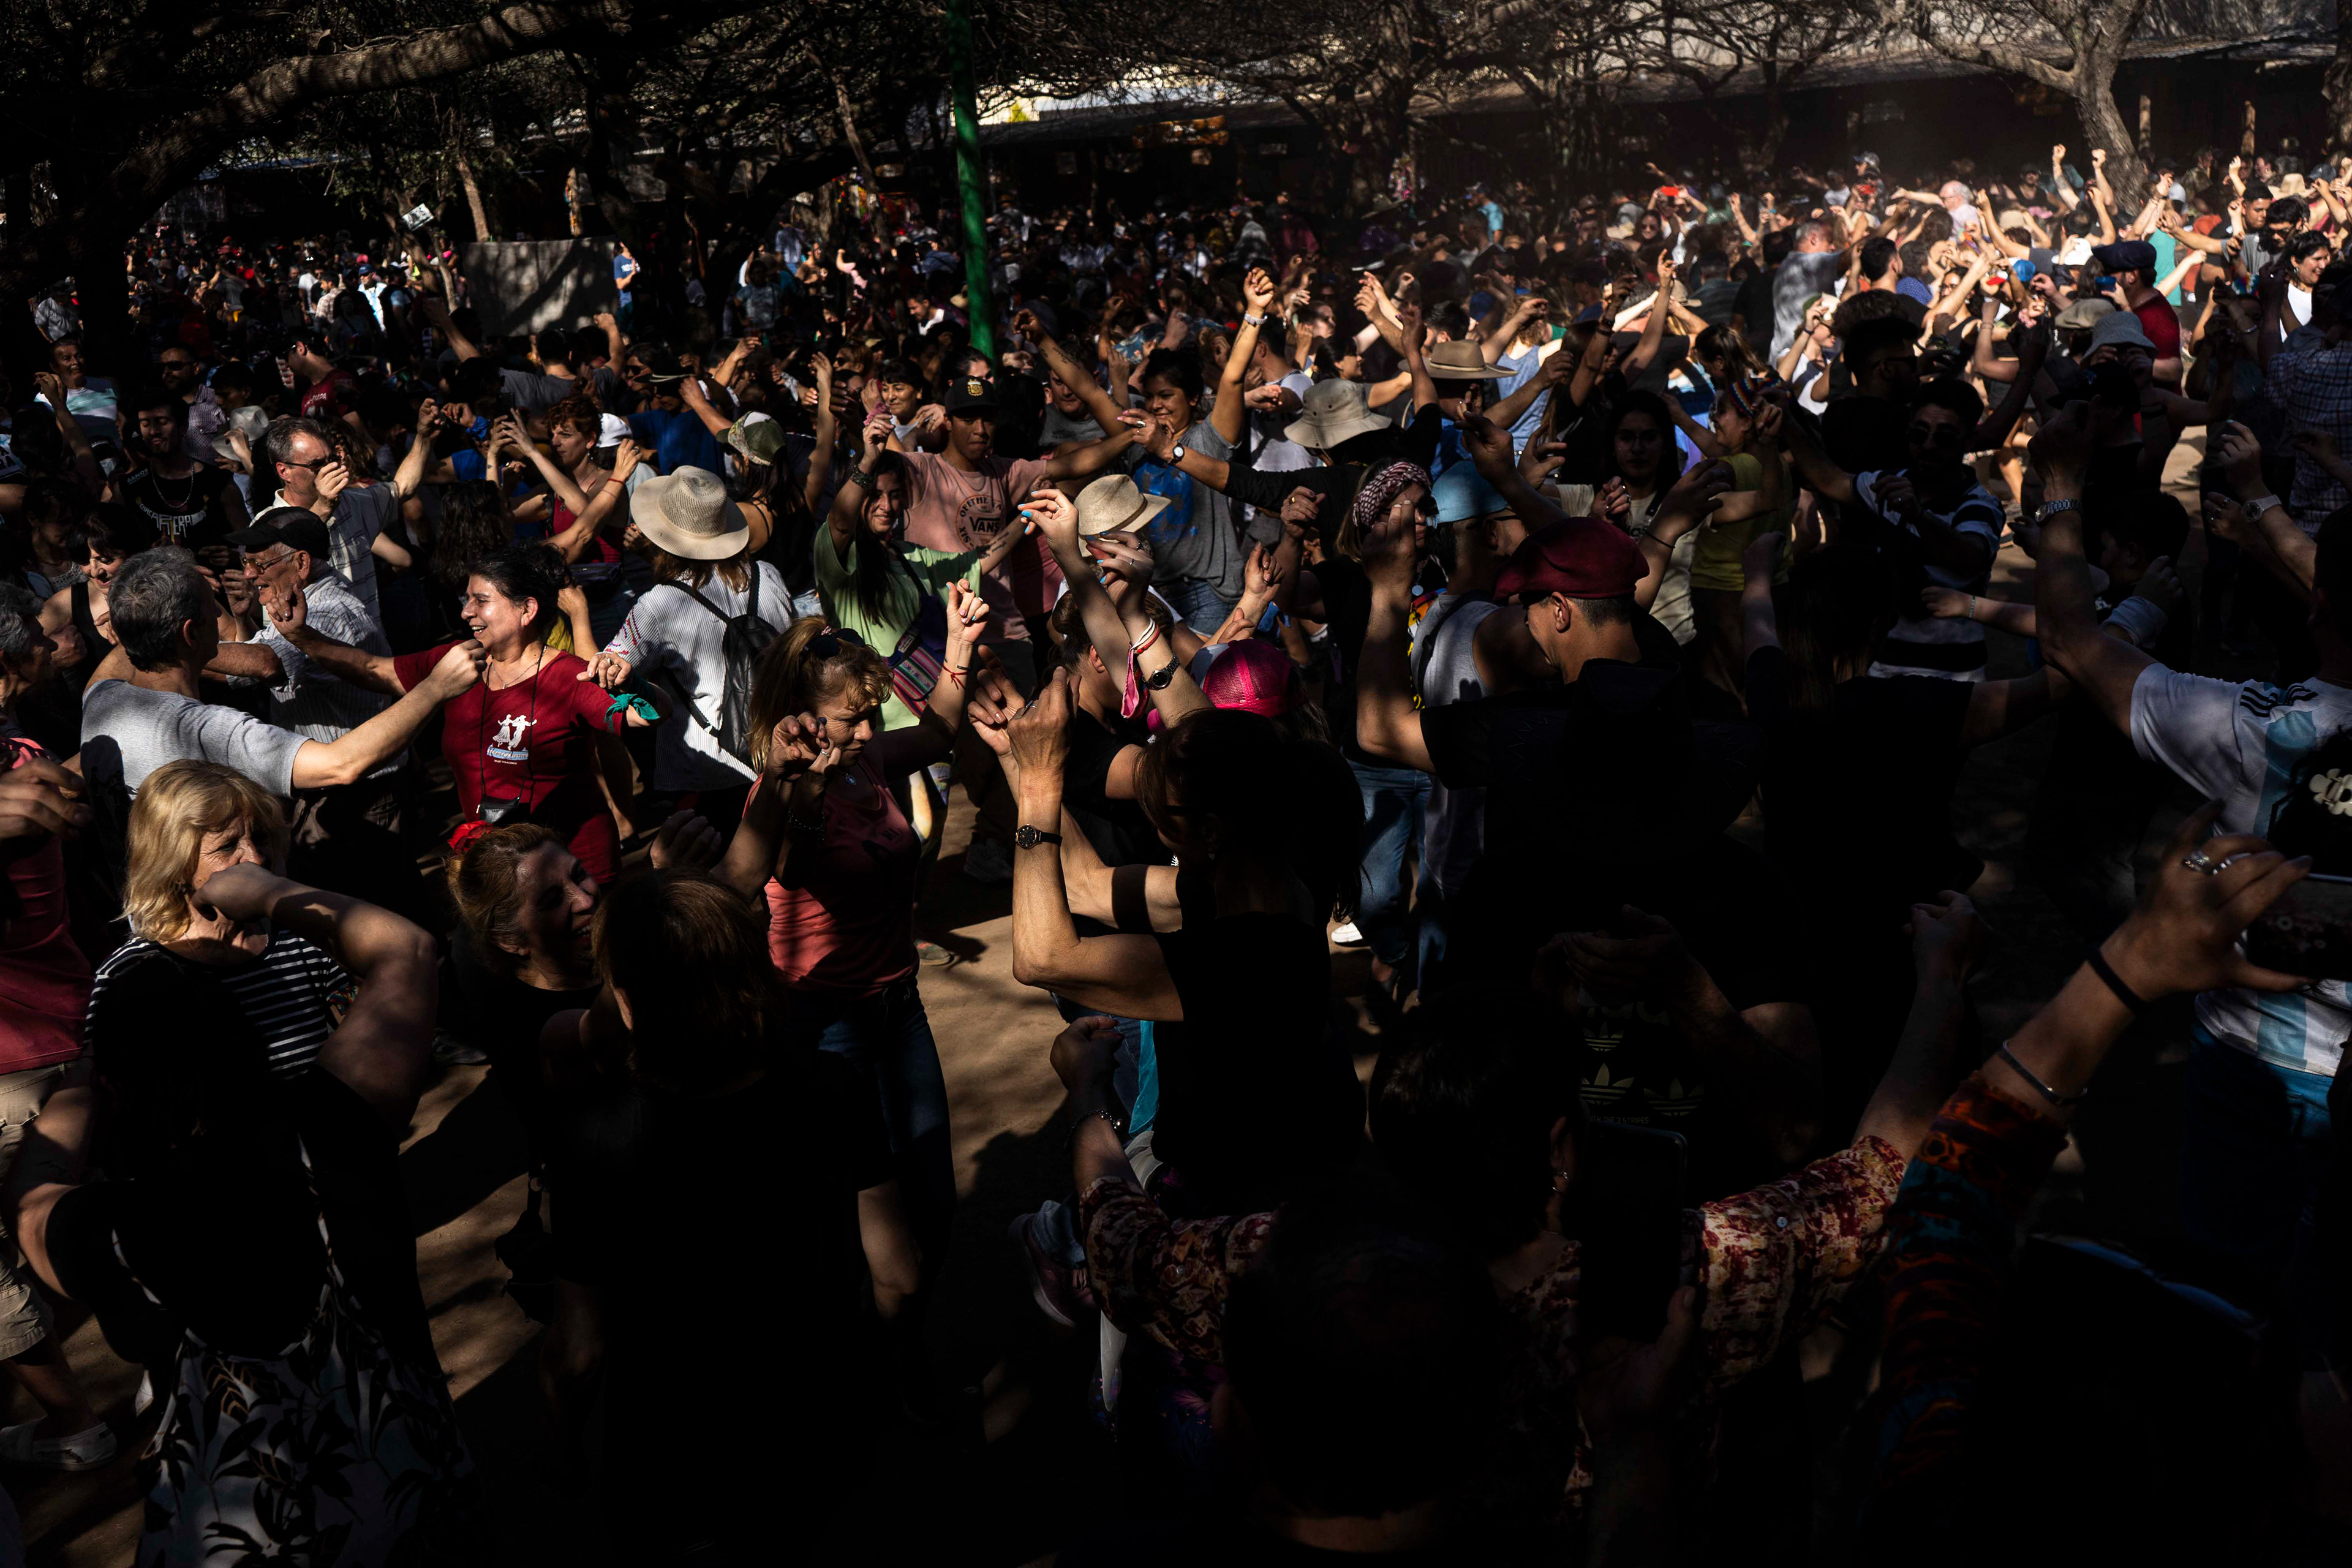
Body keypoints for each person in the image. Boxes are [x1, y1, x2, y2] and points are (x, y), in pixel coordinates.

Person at [9, 856, 476, 1561]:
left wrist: (79, 1084)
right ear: (248, 1041)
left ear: (119, 1086)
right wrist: (267, 890)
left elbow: (31, 1197)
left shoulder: (116, 1229)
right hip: (420, 1506)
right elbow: (406, 952)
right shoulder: (338, 1129)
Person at [548, 869, 920, 1557]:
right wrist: (880, 1374)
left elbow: (580, 1352)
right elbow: (899, 1276)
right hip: (813, 1431)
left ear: (627, 1000)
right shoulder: (831, 1086)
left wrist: (566, 1444)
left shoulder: (592, 1141)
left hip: (670, 1464)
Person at [717, 589, 988, 1267]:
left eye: (871, 715)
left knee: (932, 1196)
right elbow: (793, 870)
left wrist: (958, 647)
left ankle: (908, 1324)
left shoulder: (866, 760)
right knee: (855, 1219)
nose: (867, 731)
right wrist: (806, 792)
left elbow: (936, 734)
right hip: (824, 1019)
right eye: (851, 719)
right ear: (800, 715)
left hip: (899, 1006)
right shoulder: (775, 792)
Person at [268, 543, 652, 881]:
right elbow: (373, 669)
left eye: (481, 600)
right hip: (496, 868)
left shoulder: (570, 676)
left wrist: (634, 683)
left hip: (572, 868)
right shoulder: (456, 662)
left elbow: (644, 717)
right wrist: (301, 637)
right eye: (466, 599)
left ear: (527, 610)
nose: (466, 612)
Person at [78, 547, 480, 801]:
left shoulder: (100, 699)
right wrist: (435, 688)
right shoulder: (214, 733)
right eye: (211, 611)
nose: (220, 616)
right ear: (190, 634)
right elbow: (341, 764)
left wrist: (139, 621)